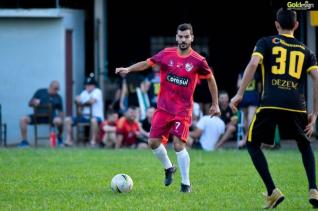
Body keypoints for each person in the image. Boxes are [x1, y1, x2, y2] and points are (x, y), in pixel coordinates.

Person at [115, 23, 220, 192]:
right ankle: (169, 167)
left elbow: (210, 79)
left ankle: (186, 184)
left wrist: (215, 104)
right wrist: (129, 69)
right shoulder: (166, 54)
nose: (183, 40)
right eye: (180, 36)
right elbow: (147, 63)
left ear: (192, 38)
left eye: (187, 36)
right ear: (176, 37)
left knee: (178, 144)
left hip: (182, 110)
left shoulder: (199, 61)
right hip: (163, 108)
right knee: (153, 142)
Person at [230, 9, 318, 208]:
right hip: (297, 105)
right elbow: (317, 79)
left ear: (276, 25)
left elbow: (254, 63)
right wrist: (315, 113)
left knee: (252, 144)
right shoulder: (306, 50)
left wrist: (240, 93)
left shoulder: (266, 42)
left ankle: (272, 191)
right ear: (296, 25)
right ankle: (314, 189)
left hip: (271, 102)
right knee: (305, 145)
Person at [19, 80, 63, 147]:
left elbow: (61, 111)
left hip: (51, 118)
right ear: (50, 86)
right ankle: (24, 141)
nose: (56, 91)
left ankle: (59, 137)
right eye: (55, 89)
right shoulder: (40, 92)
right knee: (23, 119)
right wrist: (33, 102)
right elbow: (30, 103)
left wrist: (61, 119)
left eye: (58, 89)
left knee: (59, 121)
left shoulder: (58, 97)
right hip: (37, 117)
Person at [64, 75, 104, 146]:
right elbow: (77, 100)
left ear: (94, 85)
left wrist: (81, 101)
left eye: (90, 85)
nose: (88, 86)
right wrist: (79, 100)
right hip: (84, 117)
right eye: (87, 85)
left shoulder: (97, 91)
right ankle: (69, 140)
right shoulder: (84, 92)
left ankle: (93, 141)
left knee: (93, 120)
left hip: (97, 116)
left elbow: (92, 101)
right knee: (67, 120)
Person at [236, 70, 261, 147]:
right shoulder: (255, 73)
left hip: (247, 96)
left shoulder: (242, 73)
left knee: (248, 119)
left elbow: (238, 85)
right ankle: (247, 137)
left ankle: (246, 138)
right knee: (247, 119)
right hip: (249, 96)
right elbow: (259, 88)